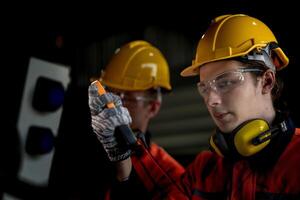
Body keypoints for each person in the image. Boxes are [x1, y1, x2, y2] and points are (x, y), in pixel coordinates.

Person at [89, 14, 300, 199]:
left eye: (225, 82)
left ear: (267, 81)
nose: (211, 100)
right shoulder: (204, 169)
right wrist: (122, 163)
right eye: (205, 88)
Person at [88, 40, 184, 199]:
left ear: (153, 107)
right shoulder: (86, 154)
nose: (111, 106)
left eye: (126, 98)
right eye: (109, 93)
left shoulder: (167, 176)